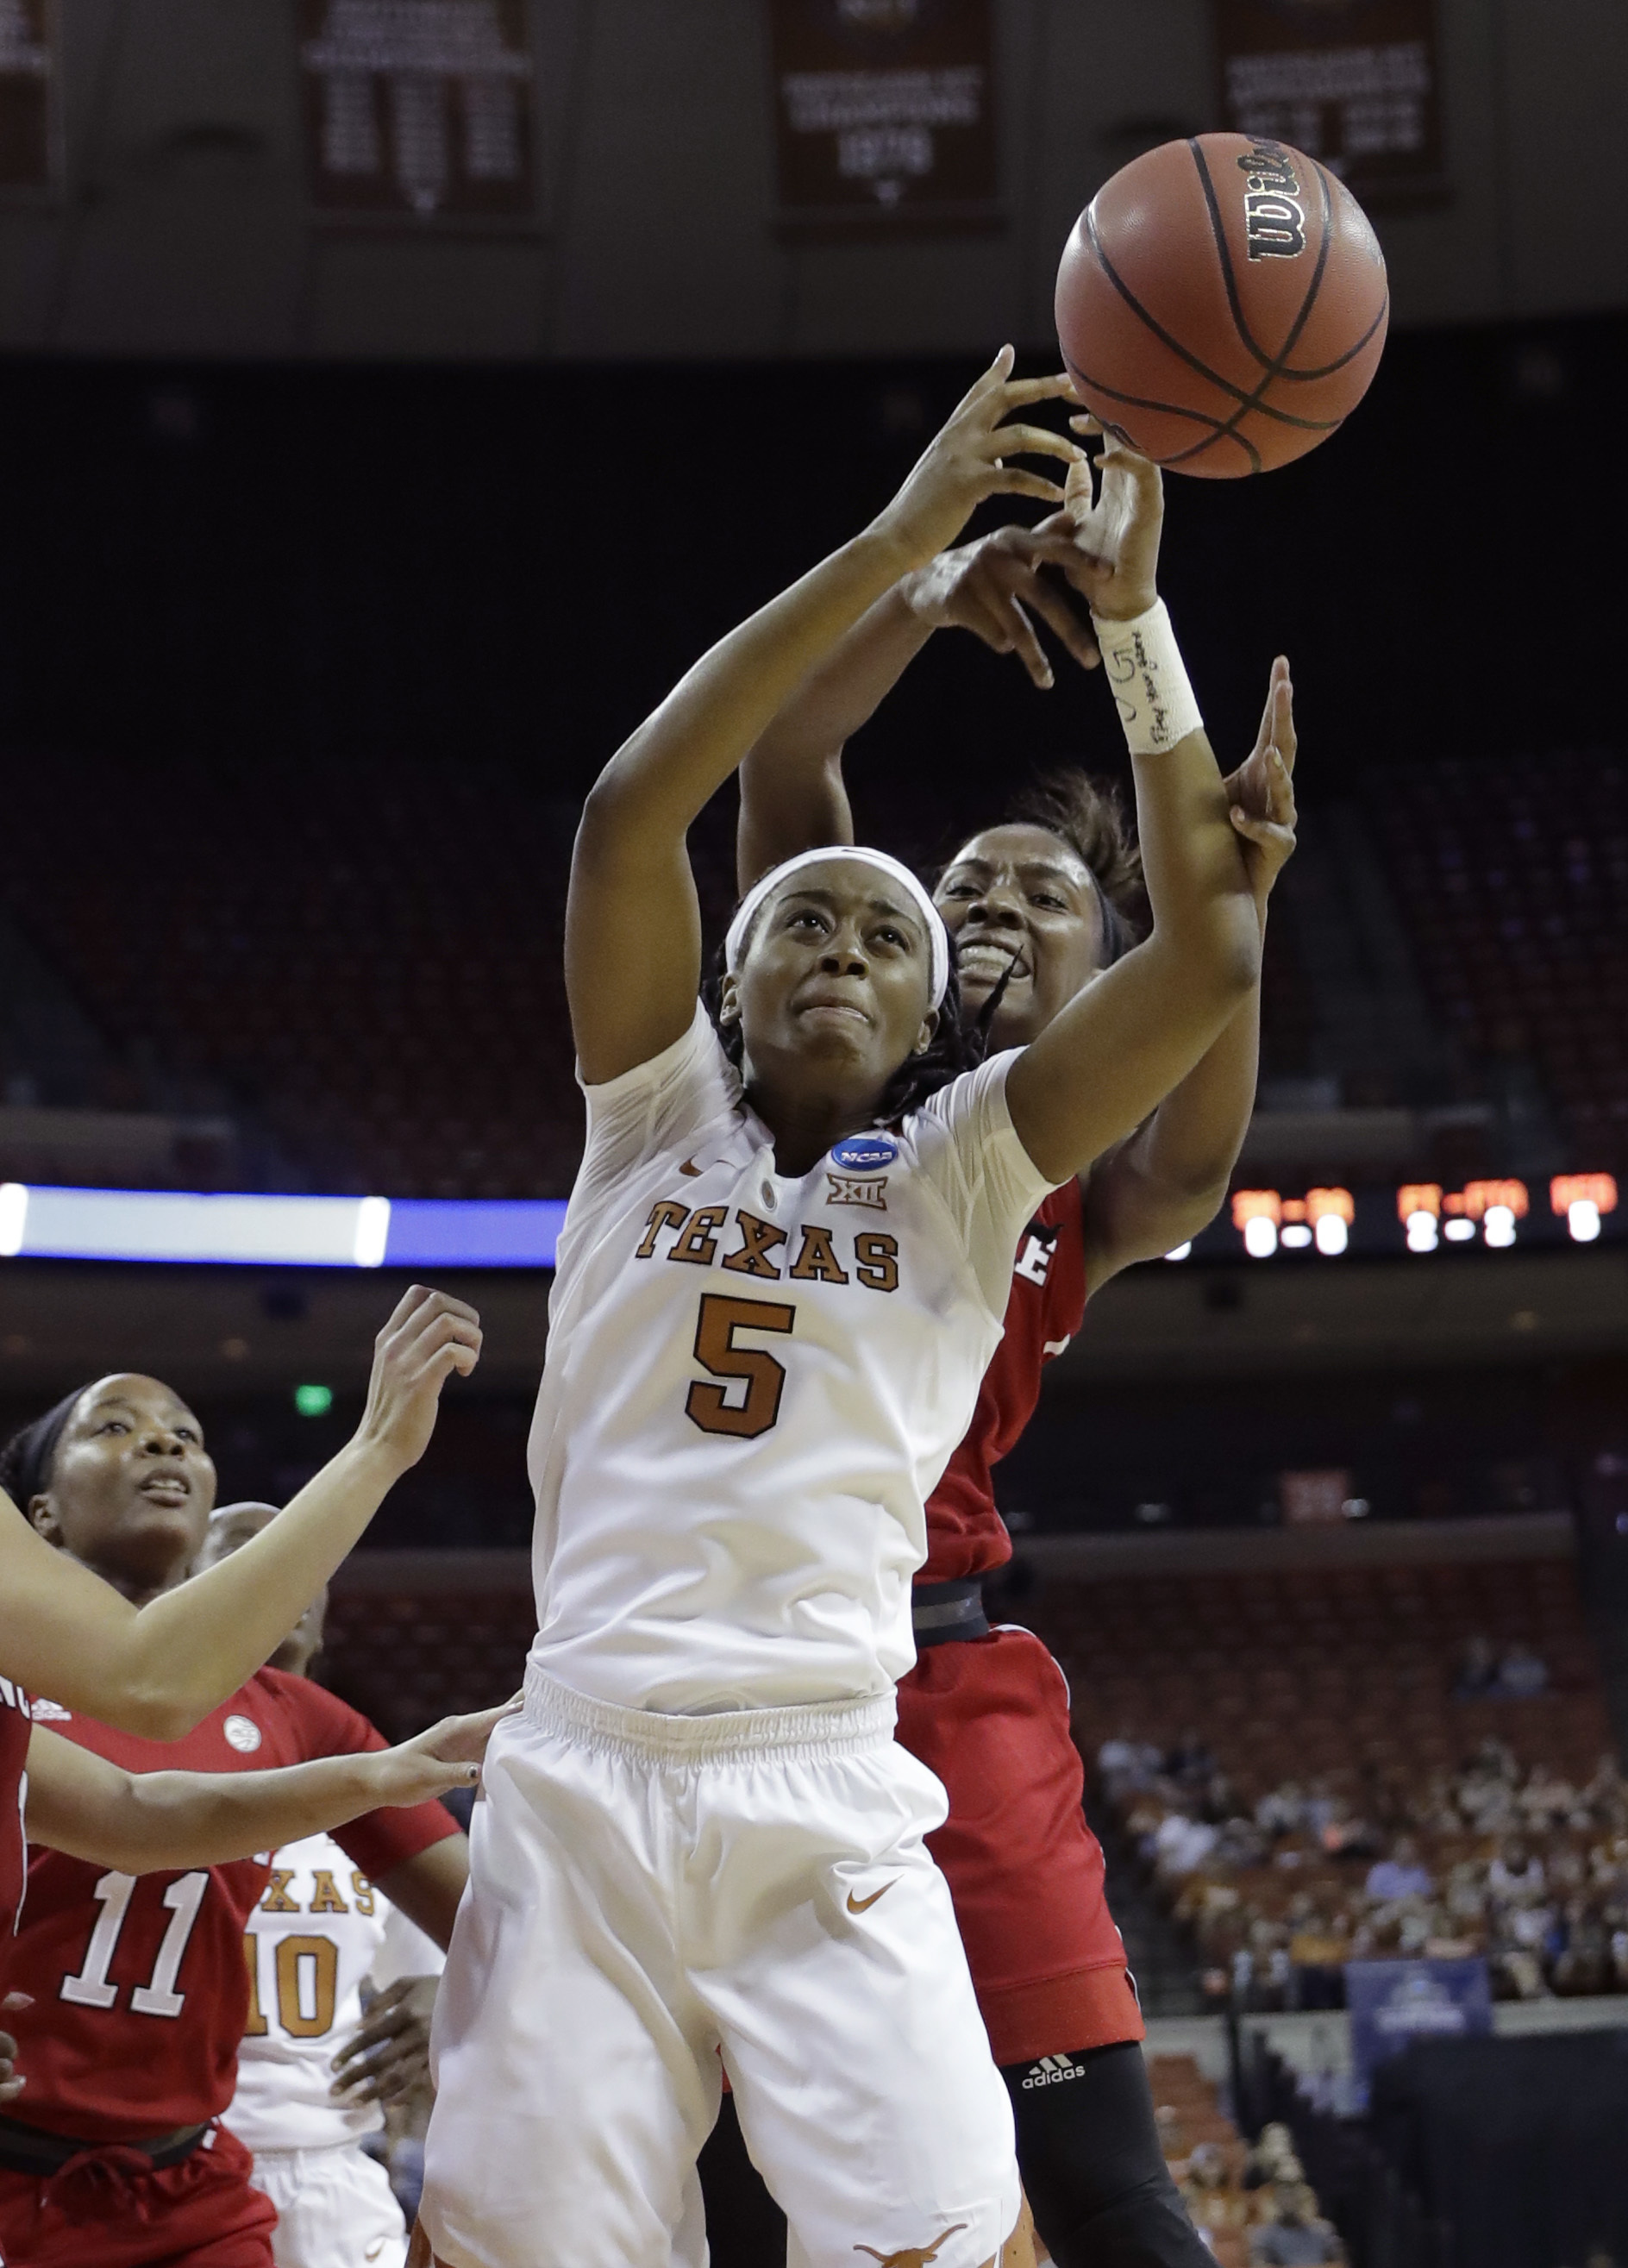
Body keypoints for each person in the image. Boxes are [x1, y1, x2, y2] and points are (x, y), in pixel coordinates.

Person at [416, 348, 1268, 2268]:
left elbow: (1208, 946)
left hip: (837, 1750)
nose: (858, 939)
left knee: (960, 2229)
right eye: (811, 913)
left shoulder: (972, 1164)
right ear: (729, 981)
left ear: (926, 1025)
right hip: (583, 1763)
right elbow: (645, 805)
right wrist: (901, 547)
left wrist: (1136, 632)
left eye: (893, 932)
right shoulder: (649, 1118)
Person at [700, 409, 1296, 2265]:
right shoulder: (798, 1056)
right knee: (733, 2200)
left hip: (945, 1682)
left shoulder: (1069, 1174)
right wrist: (923, 586)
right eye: (960, 881)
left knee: (1104, 2182)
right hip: (721, 1687)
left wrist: (1219, 882)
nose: (982, 901)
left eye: (1042, 895)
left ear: (1108, 972)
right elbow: (791, 751)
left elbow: (1196, 1102)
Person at [0, 1353, 487, 2268]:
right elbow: (140, 1811)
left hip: (191, 2181)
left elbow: (493, 1922)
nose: (161, 1440)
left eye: (187, 1432)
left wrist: (453, 2003)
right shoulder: (12, 1689)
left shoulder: (292, 1711)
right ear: (40, 1517)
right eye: (113, 1426)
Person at [201, 1503, 447, 2268]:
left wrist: (450, 1998)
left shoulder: (379, 1799)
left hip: (336, 2168)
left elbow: (453, 1966)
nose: (287, 1575)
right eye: (248, 1551)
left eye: (306, 1565)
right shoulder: (130, 1787)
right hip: (177, 2163)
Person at [1364, 1838, 1431, 1905]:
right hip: (1386, 1908)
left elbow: (1426, 1897)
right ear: (1396, 1850)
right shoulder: (1380, 1871)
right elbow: (1372, 1896)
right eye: (1403, 1848)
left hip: (1411, 1909)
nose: (1407, 1852)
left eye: (1410, 1849)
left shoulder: (1420, 1873)